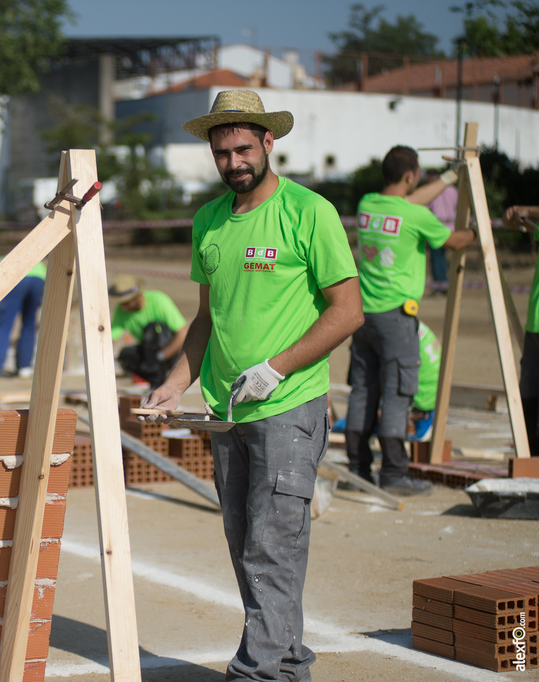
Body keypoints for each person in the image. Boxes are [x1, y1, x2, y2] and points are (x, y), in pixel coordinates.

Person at [141, 90, 364, 682]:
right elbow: (206, 321)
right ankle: (286, 664)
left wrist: (278, 368)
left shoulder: (308, 212)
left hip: (288, 408)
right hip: (227, 413)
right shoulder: (209, 221)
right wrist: (175, 381)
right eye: (222, 152)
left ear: (269, 142)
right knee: (251, 549)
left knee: (272, 546)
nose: (234, 162)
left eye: (243, 148)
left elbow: (347, 312)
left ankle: (259, 673)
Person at [345, 146, 476, 494]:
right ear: (410, 175)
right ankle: (393, 474)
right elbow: (455, 241)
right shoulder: (415, 217)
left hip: (363, 317)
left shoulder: (368, 205)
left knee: (363, 392)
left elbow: (410, 200)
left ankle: (358, 471)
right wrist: (477, 230)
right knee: (398, 393)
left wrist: (449, 177)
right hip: (397, 319)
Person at [502, 204, 539, 457]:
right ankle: (529, 460)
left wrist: (527, 209)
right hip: (536, 322)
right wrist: (514, 215)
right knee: (528, 394)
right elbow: (512, 224)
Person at [108, 274, 188, 386]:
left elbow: (183, 333)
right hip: (148, 352)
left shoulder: (158, 300)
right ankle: (156, 380)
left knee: (152, 329)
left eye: (126, 303)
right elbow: (110, 339)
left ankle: (166, 375)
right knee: (126, 355)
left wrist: (160, 356)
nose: (124, 307)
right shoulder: (122, 310)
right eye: (122, 303)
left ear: (137, 296)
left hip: (170, 350)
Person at [0, 261, 46, 380]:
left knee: (1, 327)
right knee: (29, 324)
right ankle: (24, 368)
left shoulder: (2, 260)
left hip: (12, 278)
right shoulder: (39, 264)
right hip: (39, 280)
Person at [423, 168, 458, 295]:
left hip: (436, 229)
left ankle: (440, 286)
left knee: (437, 258)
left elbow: (426, 209)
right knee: (449, 259)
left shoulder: (430, 191)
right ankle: (450, 285)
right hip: (452, 229)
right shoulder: (453, 190)